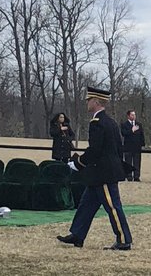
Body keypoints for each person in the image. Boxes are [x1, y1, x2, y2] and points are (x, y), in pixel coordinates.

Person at [56, 87, 133, 250]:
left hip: (103, 173)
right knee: (86, 204)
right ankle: (77, 235)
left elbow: (95, 150)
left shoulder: (97, 123)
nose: (87, 102)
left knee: (112, 206)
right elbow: (119, 148)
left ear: (96, 102)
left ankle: (124, 239)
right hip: (100, 173)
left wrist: (78, 163)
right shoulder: (110, 122)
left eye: (89, 100)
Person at [119, 111, 143, 182]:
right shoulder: (124, 124)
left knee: (137, 162)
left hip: (137, 147)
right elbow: (124, 133)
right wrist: (131, 130)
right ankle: (129, 176)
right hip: (128, 147)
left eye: (134, 115)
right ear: (128, 116)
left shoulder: (139, 124)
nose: (134, 116)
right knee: (128, 162)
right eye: (132, 115)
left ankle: (136, 176)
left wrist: (142, 144)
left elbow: (141, 135)